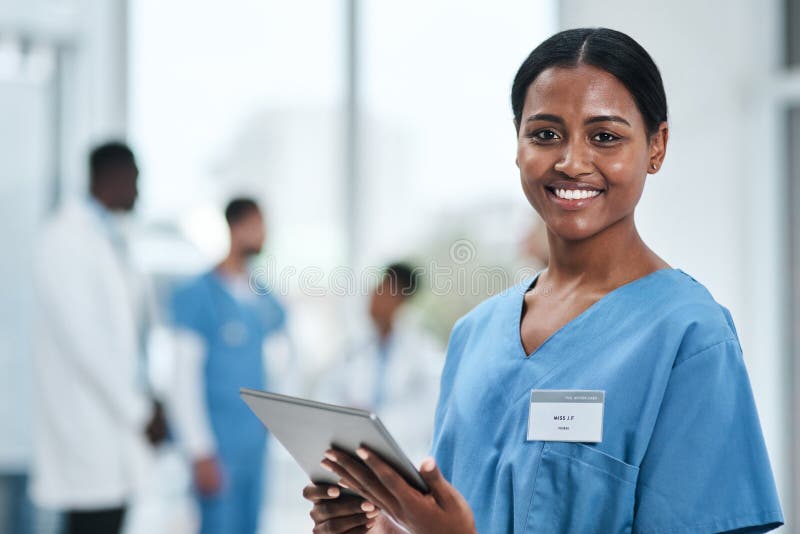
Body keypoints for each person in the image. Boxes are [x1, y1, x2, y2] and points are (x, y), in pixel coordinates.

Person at [302, 28, 785, 533]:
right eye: (545, 134)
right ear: (518, 144)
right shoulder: (475, 334)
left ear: (656, 146)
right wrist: (377, 524)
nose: (571, 162)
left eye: (605, 136)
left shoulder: (689, 336)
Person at [31, 142, 167, 534]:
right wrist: (139, 413)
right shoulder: (63, 239)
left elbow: (130, 337)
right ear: (113, 176)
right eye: (136, 180)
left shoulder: (109, 237)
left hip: (115, 426)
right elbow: (86, 345)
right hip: (88, 425)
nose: (139, 191)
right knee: (91, 521)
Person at [170, 197, 288, 534]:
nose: (265, 234)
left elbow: (282, 360)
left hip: (255, 444)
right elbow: (182, 380)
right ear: (236, 228)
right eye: (258, 225)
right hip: (217, 446)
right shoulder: (198, 295)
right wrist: (198, 450)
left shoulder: (262, 296)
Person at [317, 263, 444, 463]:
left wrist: (374, 422)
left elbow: (427, 413)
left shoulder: (422, 353)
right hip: (351, 450)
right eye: (377, 289)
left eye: (384, 291)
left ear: (400, 300)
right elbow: (327, 393)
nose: (374, 296)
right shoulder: (353, 348)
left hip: (400, 456)